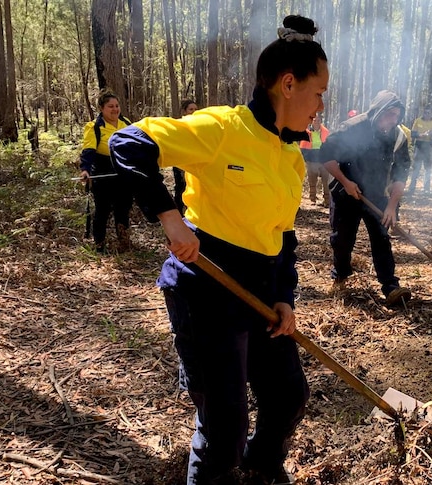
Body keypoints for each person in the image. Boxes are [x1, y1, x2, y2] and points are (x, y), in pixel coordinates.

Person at [108, 15, 328, 485]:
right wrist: (170, 218)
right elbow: (129, 142)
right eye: (318, 92)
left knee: (287, 395)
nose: (320, 106)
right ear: (288, 84)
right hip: (208, 290)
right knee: (225, 427)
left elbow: (283, 238)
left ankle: (262, 466)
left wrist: (284, 297)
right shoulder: (222, 128)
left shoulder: (291, 157)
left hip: (261, 295)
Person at [320, 90, 413, 307]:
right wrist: (345, 182)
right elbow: (326, 156)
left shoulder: (398, 137)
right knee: (342, 239)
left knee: (381, 238)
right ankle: (340, 276)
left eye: (397, 116)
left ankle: (390, 285)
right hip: (346, 193)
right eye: (389, 114)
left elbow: (401, 173)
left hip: (377, 195)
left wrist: (391, 205)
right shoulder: (352, 128)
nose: (393, 120)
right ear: (378, 111)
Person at [78, 91, 134, 253]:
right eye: (110, 106)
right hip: (102, 173)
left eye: (117, 106)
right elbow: (88, 151)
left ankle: (123, 243)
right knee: (102, 210)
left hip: (123, 173)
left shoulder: (126, 122)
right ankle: (99, 245)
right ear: (101, 108)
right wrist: (85, 170)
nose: (115, 109)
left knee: (123, 208)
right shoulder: (94, 127)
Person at [299, 112, 331, 206]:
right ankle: (312, 199)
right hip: (311, 160)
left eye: (318, 120)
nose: (316, 122)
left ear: (320, 121)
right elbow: (303, 146)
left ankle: (327, 200)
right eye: (314, 120)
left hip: (323, 160)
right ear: (312, 121)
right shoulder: (307, 132)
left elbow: (329, 146)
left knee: (326, 182)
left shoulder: (325, 131)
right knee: (312, 181)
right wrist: (306, 159)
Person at [173, 99, 199, 216]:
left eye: (195, 109)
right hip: (180, 161)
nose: (193, 112)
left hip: (195, 161)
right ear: (184, 111)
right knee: (181, 188)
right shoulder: (179, 125)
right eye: (191, 109)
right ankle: (179, 215)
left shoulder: (200, 126)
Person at [408, 106, 432, 196]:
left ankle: (426, 189)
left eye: (429, 113)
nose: (427, 115)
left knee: (427, 169)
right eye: (425, 113)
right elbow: (413, 134)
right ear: (423, 113)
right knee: (416, 168)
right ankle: (411, 189)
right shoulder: (418, 120)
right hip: (419, 145)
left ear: (431, 113)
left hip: (429, 146)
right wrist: (422, 134)